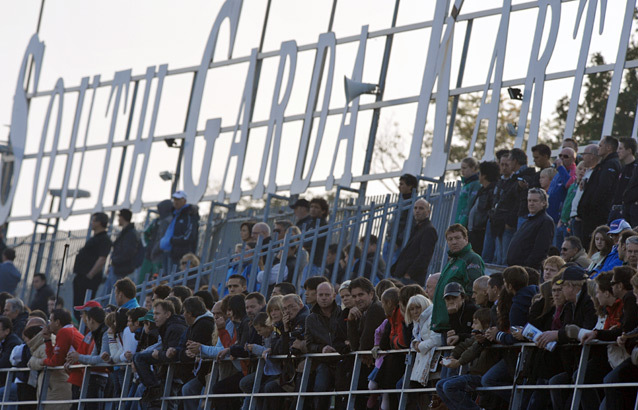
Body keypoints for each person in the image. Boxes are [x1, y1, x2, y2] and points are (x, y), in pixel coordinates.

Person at [482, 266, 538, 404]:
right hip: (529, 356)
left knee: (489, 380)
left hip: (524, 358)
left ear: (508, 285)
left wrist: (497, 335)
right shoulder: (535, 293)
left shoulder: (517, 305)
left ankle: (521, 401)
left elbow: (515, 337)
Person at [547, 266, 597, 410]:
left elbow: (586, 328)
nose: (561, 291)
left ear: (570, 286)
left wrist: (557, 335)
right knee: (556, 381)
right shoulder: (570, 305)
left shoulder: (588, 301)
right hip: (575, 361)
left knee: (579, 378)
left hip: (593, 357)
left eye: (562, 287)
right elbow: (567, 328)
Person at [436, 308, 499, 410]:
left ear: (486, 325)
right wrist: (453, 355)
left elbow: (473, 350)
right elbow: (464, 345)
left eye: (475, 323)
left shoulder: (488, 337)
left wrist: (458, 362)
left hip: (482, 376)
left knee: (449, 386)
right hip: (473, 374)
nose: (473, 326)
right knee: (440, 385)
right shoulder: (476, 337)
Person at [431, 224, 484, 335]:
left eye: (457, 238)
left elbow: (474, 292)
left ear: (466, 239)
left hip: (457, 323)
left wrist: (462, 320)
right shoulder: (451, 261)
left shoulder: (472, 258)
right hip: (444, 322)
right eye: (450, 239)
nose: (454, 242)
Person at [305, 282, 348, 409]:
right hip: (323, 362)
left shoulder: (342, 313)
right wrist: (321, 349)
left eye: (327, 295)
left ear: (334, 296)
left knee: (343, 394)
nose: (324, 298)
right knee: (320, 389)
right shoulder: (311, 319)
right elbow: (308, 344)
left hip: (342, 359)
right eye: (321, 295)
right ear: (316, 296)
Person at [135, 299, 187, 405]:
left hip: (176, 373)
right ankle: (153, 388)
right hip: (168, 372)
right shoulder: (168, 326)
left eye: (157, 314)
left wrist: (159, 355)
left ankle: (154, 388)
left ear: (168, 314)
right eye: (154, 314)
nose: (154, 317)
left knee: (138, 357)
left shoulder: (174, 327)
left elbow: (172, 355)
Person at [346, 277, 385, 410]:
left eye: (361, 294)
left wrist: (361, 351)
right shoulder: (363, 312)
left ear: (371, 294)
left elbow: (364, 342)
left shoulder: (375, 308)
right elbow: (355, 346)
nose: (357, 299)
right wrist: (350, 321)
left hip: (377, 364)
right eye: (354, 296)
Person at [578, 136, 622, 245]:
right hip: (592, 214)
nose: (598, 148)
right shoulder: (604, 164)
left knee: (591, 245)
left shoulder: (611, 164)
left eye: (600, 146)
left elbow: (603, 189)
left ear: (608, 148)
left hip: (596, 215)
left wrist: (590, 207)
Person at [66, 305, 109, 409]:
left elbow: (100, 359)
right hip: (93, 379)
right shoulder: (98, 332)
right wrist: (78, 358)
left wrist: (79, 357)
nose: (86, 322)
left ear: (92, 320)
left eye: (87, 318)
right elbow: (92, 358)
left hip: (99, 379)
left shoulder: (105, 333)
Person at [72, 212, 112, 322]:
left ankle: (84, 327)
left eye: (94, 220)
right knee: (78, 306)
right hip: (82, 276)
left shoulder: (104, 239)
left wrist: (90, 274)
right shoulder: (95, 238)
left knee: (84, 306)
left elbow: (102, 258)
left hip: (88, 279)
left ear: (99, 222)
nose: (92, 223)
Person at [180, 296, 216, 410]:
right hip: (202, 372)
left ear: (190, 313)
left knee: (189, 389)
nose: (183, 315)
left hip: (207, 372)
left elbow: (192, 348)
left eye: (184, 312)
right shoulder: (198, 324)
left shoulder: (203, 324)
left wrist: (193, 352)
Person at [390, 198, 438, 285]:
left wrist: (409, 274)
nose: (417, 211)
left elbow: (425, 256)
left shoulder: (429, 230)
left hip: (411, 279)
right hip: (404, 276)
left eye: (421, 208)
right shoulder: (418, 228)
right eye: (415, 208)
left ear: (428, 212)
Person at [506, 188, 555, 270]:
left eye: (535, 201)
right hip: (515, 269)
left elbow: (540, 249)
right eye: (529, 200)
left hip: (526, 271)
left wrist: (527, 267)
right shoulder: (528, 221)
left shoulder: (545, 221)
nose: (531, 204)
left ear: (544, 203)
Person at [42, 309, 86, 398]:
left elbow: (55, 362)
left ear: (57, 322)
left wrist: (42, 362)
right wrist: (47, 340)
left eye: (50, 320)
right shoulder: (69, 330)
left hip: (80, 377)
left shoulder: (64, 332)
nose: (48, 324)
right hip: (80, 376)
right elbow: (53, 357)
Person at [99, 209, 140, 300]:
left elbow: (128, 253)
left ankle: (111, 313)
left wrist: (115, 261)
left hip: (120, 270)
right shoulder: (126, 232)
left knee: (114, 297)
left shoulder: (130, 234)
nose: (118, 219)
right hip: (116, 268)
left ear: (123, 217)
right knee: (106, 296)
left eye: (119, 216)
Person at [483, 150, 512, 264]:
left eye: (507, 165)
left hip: (505, 222)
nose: (504, 168)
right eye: (502, 164)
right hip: (494, 220)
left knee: (503, 257)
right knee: (494, 255)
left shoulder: (512, 182)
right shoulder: (499, 182)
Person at [384, 173, 418, 267]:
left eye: (402, 184)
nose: (399, 187)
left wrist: (398, 242)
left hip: (398, 243)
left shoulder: (412, 203)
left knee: (392, 268)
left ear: (410, 186)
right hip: (391, 240)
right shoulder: (401, 200)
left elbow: (409, 224)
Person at [159, 190, 200, 269]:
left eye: (178, 199)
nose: (175, 202)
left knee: (177, 277)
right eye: (174, 199)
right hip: (172, 252)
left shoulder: (189, 215)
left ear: (184, 201)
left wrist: (173, 240)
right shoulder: (176, 215)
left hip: (183, 254)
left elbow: (189, 236)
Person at [468, 161, 499, 255]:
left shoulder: (493, 191)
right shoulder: (482, 190)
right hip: (474, 231)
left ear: (484, 175)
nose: (478, 175)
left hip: (481, 232)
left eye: (480, 173)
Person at [570, 144, 600, 240]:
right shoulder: (588, 172)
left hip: (582, 218)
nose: (582, 157)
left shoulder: (595, 173)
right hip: (574, 217)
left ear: (591, 155)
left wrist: (580, 215)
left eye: (584, 154)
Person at [555, 161, 586, 248]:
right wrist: (561, 218)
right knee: (558, 246)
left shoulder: (583, 187)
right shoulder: (572, 185)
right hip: (562, 222)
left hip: (570, 222)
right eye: (580, 169)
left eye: (585, 170)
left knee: (568, 247)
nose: (582, 171)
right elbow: (566, 202)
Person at [611, 137, 638, 222]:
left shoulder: (635, 168)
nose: (618, 151)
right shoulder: (623, 168)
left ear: (629, 150)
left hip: (627, 210)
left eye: (621, 148)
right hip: (615, 209)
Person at [547, 147, 577, 223]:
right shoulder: (559, 171)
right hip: (549, 214)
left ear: (573, 159)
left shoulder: (573, 171)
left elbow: (568, 184)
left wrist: (560, 167)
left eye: (565, 156)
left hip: (559, 218)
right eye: (560, 156)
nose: (562, 158)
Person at [455, 157, 481, 228]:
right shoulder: (466, 184)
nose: (462, 171)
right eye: (461, 168)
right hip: (459, 219)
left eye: (464, 168)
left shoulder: (476, 184)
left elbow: (470, 204)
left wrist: (463, 222)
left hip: (465, 222)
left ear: (473, 168)